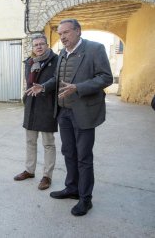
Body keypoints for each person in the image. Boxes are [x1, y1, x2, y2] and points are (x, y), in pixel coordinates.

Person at [27, 19, 113, 216]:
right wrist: (45, 86)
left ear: (78, 31)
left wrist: (79, 88)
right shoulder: (63, 54)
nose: (63, 37)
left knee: (83, 157)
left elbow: (106, 77)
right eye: (60, 34)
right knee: (69, 153)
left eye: (66, 32)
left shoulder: (95, 49)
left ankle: (85, 199)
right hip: (64, 112)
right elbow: (58, 79)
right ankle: (72, 188)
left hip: (84, 112)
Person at [13, 35, 58, 190]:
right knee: (30, 141)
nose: (38, 47)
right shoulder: (30, 62)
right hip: (31, 105)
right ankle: (30, 170)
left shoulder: (56, 60)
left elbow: (57, 79)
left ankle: (47, 176)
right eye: (36, 45)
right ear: (32, 48)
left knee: (48, 143)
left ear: (47, 45)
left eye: (41, 44)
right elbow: (28, 82)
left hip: (47, 105)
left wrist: (44, 87)